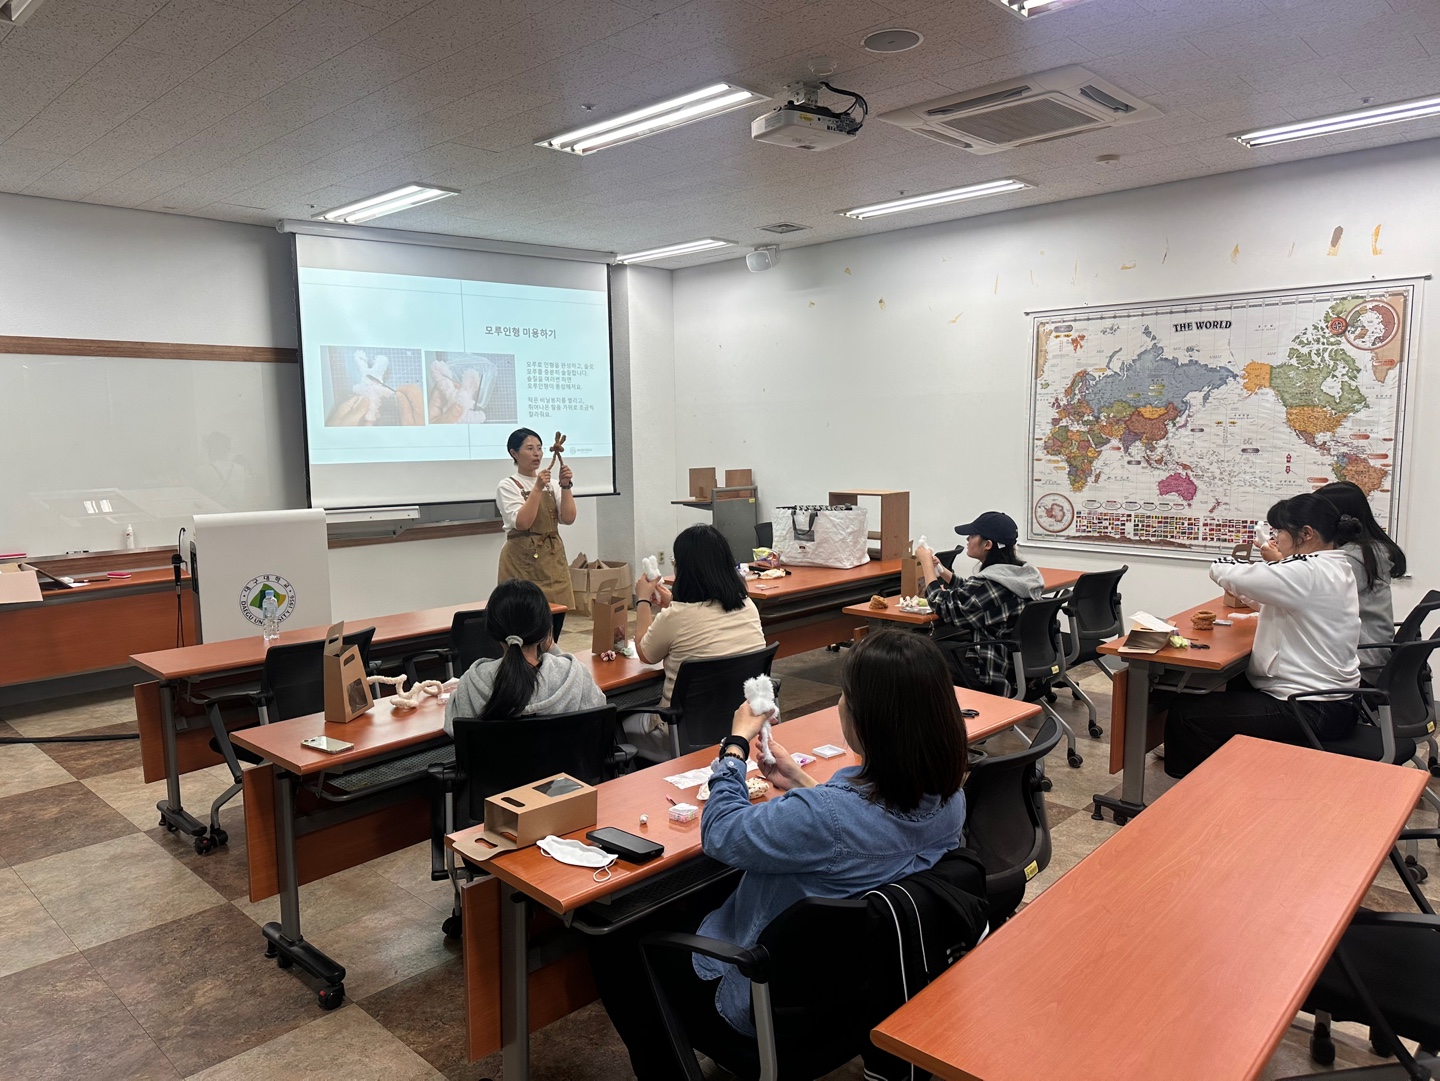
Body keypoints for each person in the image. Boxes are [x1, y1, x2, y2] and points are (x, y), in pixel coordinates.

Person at [590, 630, 972, 1081]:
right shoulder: (951, 800)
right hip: (853, 999)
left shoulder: (824, 818)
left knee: (612, 942)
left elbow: (720, 833)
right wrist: (801, 781)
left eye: (845, 696)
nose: (841, 704)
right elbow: (865, 828)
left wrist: (734, 745)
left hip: (763, 1008)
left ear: (868, 721)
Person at [1162, 493, 1364, 777]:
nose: (1276, 538)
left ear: (1306, 533)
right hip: (1335, 702)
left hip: (1310, 708)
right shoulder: (1334, 566)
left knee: (1187, 715)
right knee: (1236, 683)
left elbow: (1230, 573)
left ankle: (1202, 793)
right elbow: (1280, 600)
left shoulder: (1307, 570)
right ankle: (1237, 772)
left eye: (1280, 531)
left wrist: (1223, 564)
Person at [629, 524, 766, 760]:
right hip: (741, 728)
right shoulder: (747, 605)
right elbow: (703, 615)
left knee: (618, 724)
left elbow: (644, 653)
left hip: (680, 734)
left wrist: (642, 600)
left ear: (683, 569)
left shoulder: (676, 617)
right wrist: (672, 602)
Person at [443, 579, 604, 735]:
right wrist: (553, 650)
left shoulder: (471, 683)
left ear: (492, 630)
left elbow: (453, 728)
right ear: (546, 630)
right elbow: (599, 714)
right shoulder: (574, 676)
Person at [915, 511, 1044, 694]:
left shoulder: (989, 584)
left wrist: (926, 566)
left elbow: (943, 605)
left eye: (973, 535)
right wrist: (941, 570)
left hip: (994, 667)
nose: (967, 539)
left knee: (920, 652)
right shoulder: (1021, 574)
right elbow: (972, 592)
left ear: (988, 545)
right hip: (1021, 662)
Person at [1314, 480, 1407, 669]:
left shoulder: (1352, 558)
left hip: (1360, 659)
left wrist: (1283, 561)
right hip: (1369, 651)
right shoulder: (1372, 549)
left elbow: (1313, 598)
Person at [496, 428, 576, 641]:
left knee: (554, 621)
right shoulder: (508, 485)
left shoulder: (552, 484)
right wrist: (537, 488)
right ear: (514, 453)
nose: (537, 454)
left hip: (552, 559)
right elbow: (523, 523)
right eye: (530, 448)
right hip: (521, 562)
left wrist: (565, 486)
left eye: (539, 448)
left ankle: (550, 658)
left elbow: (568, 518)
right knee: (525, 623)